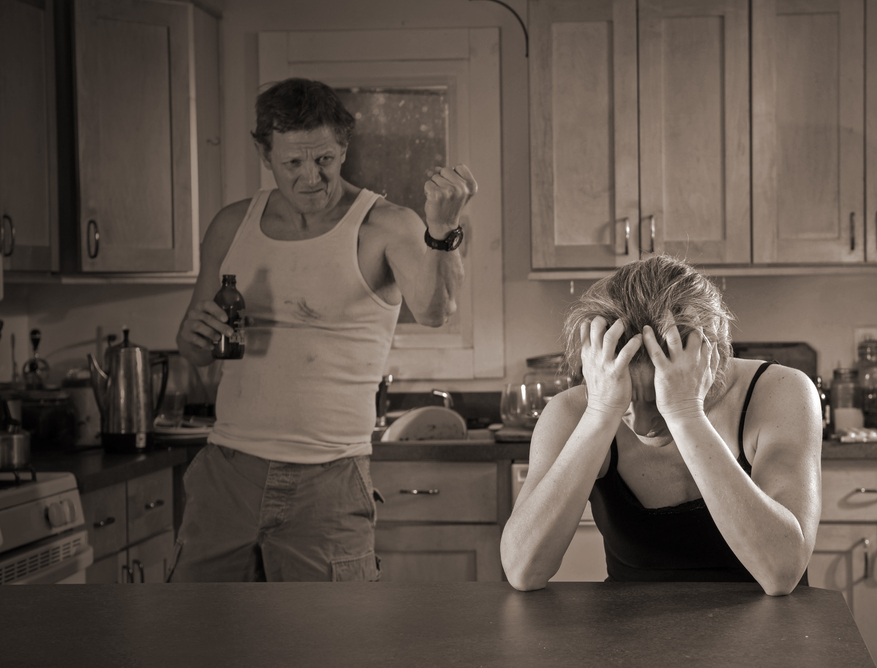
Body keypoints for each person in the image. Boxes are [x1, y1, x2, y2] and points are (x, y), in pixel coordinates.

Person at [169, 78, 477, 582]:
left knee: (334, 629)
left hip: (330, 479)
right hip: (227, 474)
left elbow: (434, 311)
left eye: (325, 159)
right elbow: (194, 348)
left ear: (344, 149)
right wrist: (195, 337)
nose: (312, 177)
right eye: (293, 162)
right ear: (264, 155)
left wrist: (442, 231)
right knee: (200, 626)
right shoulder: (231, 226)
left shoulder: (385, 224)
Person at [500, 255, 822, 595]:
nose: (642, 425)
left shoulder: (780, 392)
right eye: (624, 401)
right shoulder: (574, 410)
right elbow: (522, 571)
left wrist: (686, 414)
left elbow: (782, 572)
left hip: (772, 627)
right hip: (632, 626)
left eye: (657, 399)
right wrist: (601, 412)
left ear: (710, 361)